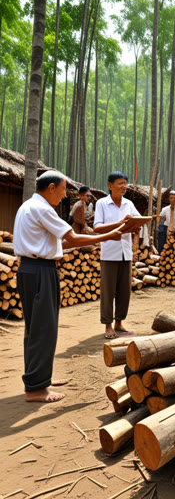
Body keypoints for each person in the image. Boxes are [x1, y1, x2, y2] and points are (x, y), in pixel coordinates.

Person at [13, 171, 124, 402]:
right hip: (41, 270)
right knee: (44, 328)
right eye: (64, 190)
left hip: (28, 269)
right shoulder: (43, 208)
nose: (64, 196)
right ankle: (36, 389)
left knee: (35, 329)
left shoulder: (27, 206)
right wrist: (107, 236)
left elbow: (58, 240)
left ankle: (38, 378)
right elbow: (72, 238)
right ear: (51, 187)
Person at [94, 172, 141, 339]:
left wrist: (135, 224)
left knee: (124, 291)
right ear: (110, 185)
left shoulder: (129, 204)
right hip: (109, 253)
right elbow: (97, 228)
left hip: (125, 252)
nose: (123, 186)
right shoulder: (101, 204)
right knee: (108, 291)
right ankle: (108, 325)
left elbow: (138, 220)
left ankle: (119, 323)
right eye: (120, 183)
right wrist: (120, 224)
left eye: (125, 183)